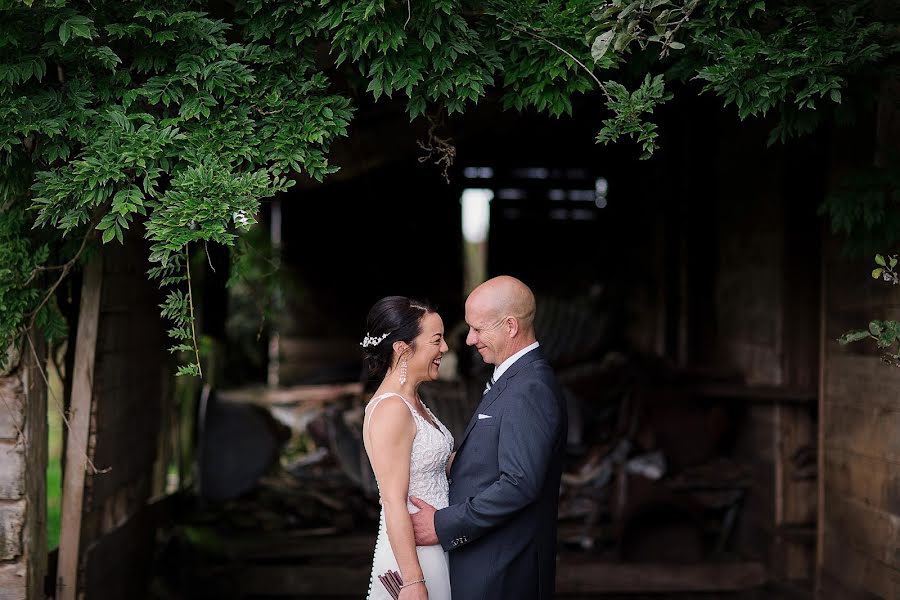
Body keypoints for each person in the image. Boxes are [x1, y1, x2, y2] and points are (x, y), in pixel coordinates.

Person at [409, 276, 567, 600]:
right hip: (490, 567)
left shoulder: (529, 388)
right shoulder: (512, 377)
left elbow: (519, 483)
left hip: (503, 573)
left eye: (478, 329)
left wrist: (442, 525)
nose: (469, 340)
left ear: (510, 326)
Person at [361, 296, 454, 600]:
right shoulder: (392, 409)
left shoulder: (413, 401)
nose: (445, 349)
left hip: (435, 547)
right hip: (414, 559)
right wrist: (413, 582)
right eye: (436, 340)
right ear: (402, 349)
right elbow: (392, 500)